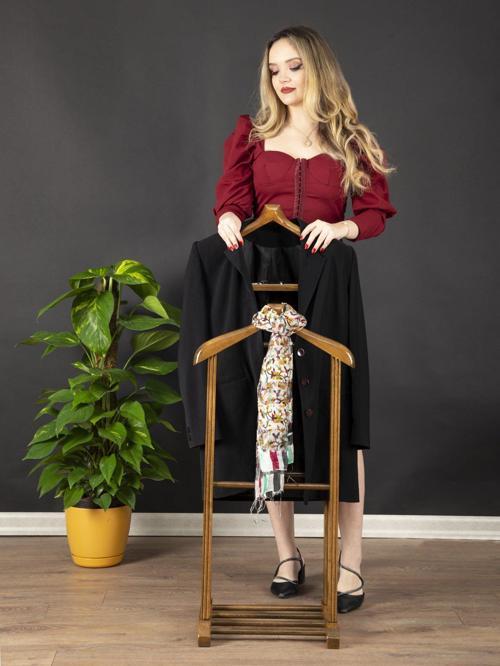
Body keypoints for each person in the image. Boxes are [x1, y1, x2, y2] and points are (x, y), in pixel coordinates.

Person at [212, 25, 397, 612]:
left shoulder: (351, 139)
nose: (283, 79)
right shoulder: (251, 136)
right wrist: (228, 219)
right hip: (265, 284)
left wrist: (341, 226)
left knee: (342, 418)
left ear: (317, 68)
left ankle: (351, 561)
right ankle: (287, 554)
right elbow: (232, 201)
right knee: (275, 416)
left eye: (294, 66)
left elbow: (375, 212)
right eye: (274, 69)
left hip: (328, 288)